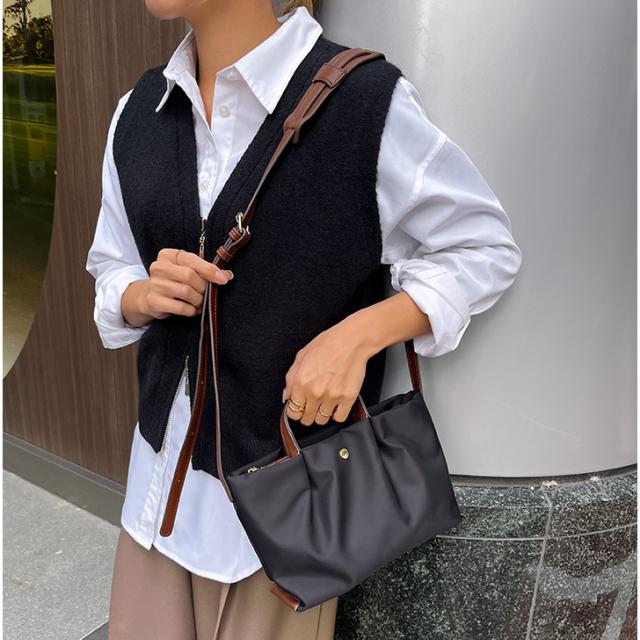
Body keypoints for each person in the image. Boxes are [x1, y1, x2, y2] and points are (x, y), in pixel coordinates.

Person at [85, 0, 522, 638]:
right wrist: (139, 294)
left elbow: (481, 247)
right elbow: (111, 263)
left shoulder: (363, 102)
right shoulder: (140, 111)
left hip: (285, 517)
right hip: (154, 494)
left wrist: (358, 336)